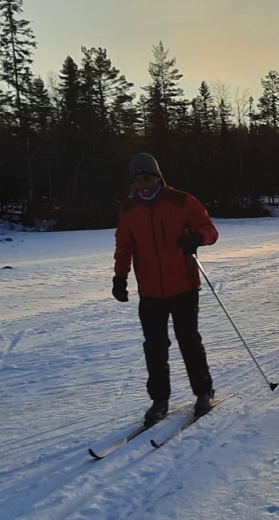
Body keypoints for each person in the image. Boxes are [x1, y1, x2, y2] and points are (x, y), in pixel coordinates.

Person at [112, 153, 220, 422]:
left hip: (183, 285)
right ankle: (159, 400)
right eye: (138, 180)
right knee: (155, 347)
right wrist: (120, 278)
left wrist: (197, 237)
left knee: (189, 342)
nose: (143, 184)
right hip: (149, 291)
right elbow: (124, 246)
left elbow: (209, 228)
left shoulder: (181, 201)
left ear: (158, 177)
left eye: (147, 178)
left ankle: (204, 391)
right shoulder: (129, 209)